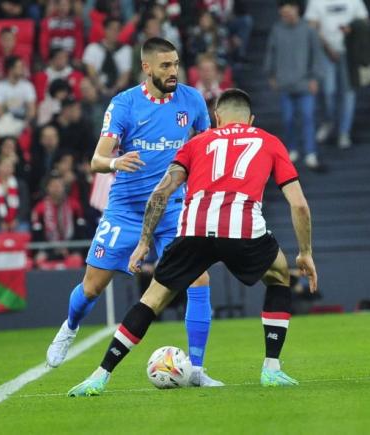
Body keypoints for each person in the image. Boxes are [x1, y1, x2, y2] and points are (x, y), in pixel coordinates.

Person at [66, 88, 318, 396]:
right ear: (251, 120)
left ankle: (100, 375)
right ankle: (271, 369)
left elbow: (160, 193)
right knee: (279, 276)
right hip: (243, 229)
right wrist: (304, 253)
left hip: (194, 229)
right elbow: (300, 205)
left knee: (153, 299)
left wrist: (145, 242)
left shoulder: (197, 142)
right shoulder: (268, 141)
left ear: (216, 118)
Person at [45, 37, 222, 387]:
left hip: (172, 207)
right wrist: (115, 162)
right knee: (92, 287)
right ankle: (70, 326)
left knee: (199, 278)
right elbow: (96, 161)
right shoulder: (124, 105)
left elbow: (207, 147)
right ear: (147, 67)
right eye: (166, 65)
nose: (174, 71)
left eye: (176, 64)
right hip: (125, 209)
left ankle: (198, 370)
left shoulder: (192, 100)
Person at [265, 0, 322, 170]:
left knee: (308, 117)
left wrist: (315, 78)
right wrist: (271, 74)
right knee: (288, 119)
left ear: (297, 9)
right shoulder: (276, 29)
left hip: (305, 83)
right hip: (285, 84)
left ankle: (311, 152)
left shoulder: (308, 30)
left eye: (289, 8)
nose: (286, 12)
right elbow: (271, 52)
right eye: (283, 9)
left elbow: (316, 55)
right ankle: (292, 148)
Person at [305, 0, 368, 149]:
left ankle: (344, 132)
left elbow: (364, 21)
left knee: (348, 92)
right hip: (325, 52)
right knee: (328, 91)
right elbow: (311, 27)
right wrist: (327, 47)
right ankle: (328, 121)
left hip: (350, 52)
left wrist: (352, 28)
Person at [31, 173, 86, 262]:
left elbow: (80, 232)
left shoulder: (74, 206)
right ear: (47, 188)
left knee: (76, 259)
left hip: (70, 248)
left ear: (64, 187)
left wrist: (69, 248)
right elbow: (37, 235)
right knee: (40, 259)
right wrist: (53, 249)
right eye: (53, 186)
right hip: (47, 248)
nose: (57, 189)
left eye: (59, 185)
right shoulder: (39, 208)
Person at [83, 17, 133, 98]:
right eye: (112, 29)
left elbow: (125, 74)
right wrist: (102, 88)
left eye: (117, 30)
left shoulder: (126, 49)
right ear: (105, 30)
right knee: (86, 84)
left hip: (118, 88)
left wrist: (115, 89)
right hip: (97, 86)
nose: (115, 32)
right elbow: (91, 72)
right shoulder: (92, 48)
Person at [0, 156, 31, 235]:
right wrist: (0, 222)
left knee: (22, 230)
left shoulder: (21, 185)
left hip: (18, 222)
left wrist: (17, 220)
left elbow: (25, 205)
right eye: (4, 166)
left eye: (10, 166)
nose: (7, 168)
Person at [0, 56, 37, 138]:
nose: (22, 69)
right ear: (10, 69)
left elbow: (32, 110)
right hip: (6, 119)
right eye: (19, 67)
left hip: (23, 119)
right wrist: (10, 122)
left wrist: (26, 122)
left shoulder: (27, 86)